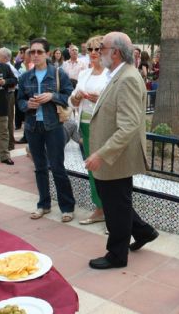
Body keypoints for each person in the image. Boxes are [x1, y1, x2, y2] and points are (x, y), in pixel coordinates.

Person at [85, 32, 158, 269]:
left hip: (115, 158)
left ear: (115, 52)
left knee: (116, 206)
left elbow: (128, 126)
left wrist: (101, 154)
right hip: (113, 156)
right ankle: (144, 231)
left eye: (101, 47)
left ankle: (117, 255)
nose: (97, 52)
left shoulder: (127, 78)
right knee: (118, 202)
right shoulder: (118, 74)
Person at [17, 38, 76, 222]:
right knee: (39, 168)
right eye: (32, 52)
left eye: (39, 52)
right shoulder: (25, 77)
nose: (35, 55)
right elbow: (19, 102)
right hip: (33, 126)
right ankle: (43, 204)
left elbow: (68, 97)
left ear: (47, 54)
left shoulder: (58, 73)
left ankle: (67, 207)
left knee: (57, 167)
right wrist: (28, 104)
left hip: (54, 126)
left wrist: (52, 96)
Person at [69, 35, 109, 225]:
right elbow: (72, 100)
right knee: (92, 169)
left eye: (97, 49)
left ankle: (111, 212)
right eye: (90, 50)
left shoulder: (110, 75)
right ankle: (99, 208)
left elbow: (114, 102)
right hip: (85, 126)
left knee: (106, 170)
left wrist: (98, 99)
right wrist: (76, 98)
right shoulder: (84, 74)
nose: (93, 53)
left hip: (103, 127)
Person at [0, 49, 18, 165]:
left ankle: (5, 155)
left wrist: (5, 82)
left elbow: (14, 80)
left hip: (1, 102)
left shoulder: (4, 67)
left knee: (3, 130)